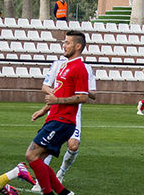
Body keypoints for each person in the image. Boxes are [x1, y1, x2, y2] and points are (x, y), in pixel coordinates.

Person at [23, 30, 91, 195]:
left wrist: (57, 101)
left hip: (63, 121)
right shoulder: (65, 66)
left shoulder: (79, 68)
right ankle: (63, 193)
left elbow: (83, 97)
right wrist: (43, 110)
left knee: (31, 155)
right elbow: (59, 93)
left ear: (78, 46)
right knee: (38, 158)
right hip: (54, 117)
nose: (64, 45)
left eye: (67, 43)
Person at [32, 49, 98, 185]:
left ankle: (61, 173)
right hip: (55, 110)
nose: (65, 46)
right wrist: (52, 96)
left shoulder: (85, 68)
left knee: (73, 146)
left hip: (73, 113)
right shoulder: (58, 64)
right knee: (46, 145)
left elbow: (92, 94)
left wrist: (81, 87)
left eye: (67, 43)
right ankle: (41, 181)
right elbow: (45, 86)